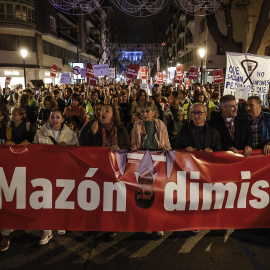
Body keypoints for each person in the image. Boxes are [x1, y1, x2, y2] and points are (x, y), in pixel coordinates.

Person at [33, 109, 79, 245]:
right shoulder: (40, 132)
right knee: (45, 200)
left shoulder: (70, 134)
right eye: (52, 117)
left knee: (61, 198)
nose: (55, 120)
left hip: (63, 171)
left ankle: (60, 222)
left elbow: (77, 150)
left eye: (58, 117)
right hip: (45, 172)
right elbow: (33, 148)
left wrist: (68, 148)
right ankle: (46, 230)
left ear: (63, 119)